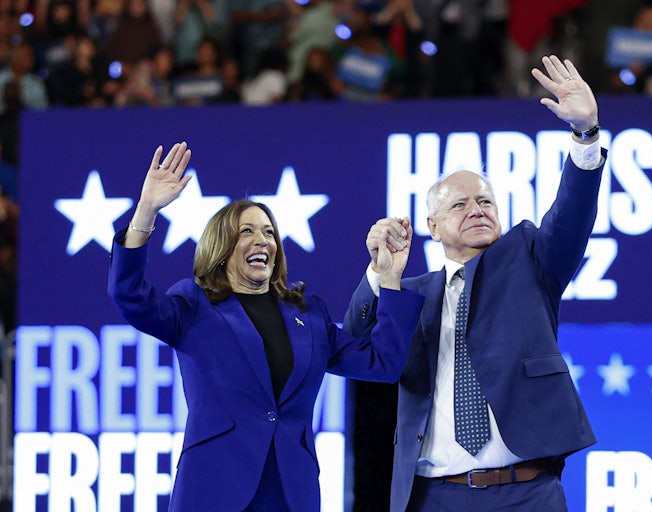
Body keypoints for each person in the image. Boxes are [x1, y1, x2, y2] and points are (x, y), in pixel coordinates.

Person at [344, 55, 606, 511]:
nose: (477, 210)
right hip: (435, 494)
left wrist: (585, 135)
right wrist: (380, 273)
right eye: (459, 205)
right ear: (432, 225)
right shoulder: (408, 295)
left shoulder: (530, 260)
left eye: (485, 201)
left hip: (529, 492)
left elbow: (571, 218)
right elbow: (356, 339)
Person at [107, 141, 424, 511]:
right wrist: (146, 211)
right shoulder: (194, 305)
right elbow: (129, 294)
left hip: (292, 492)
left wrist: (389, 278)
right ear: (222, 248)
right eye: (247, 232)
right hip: (213, 490)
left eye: (269, 232)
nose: (262, 240)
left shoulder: (309, 314)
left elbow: (384, 365)